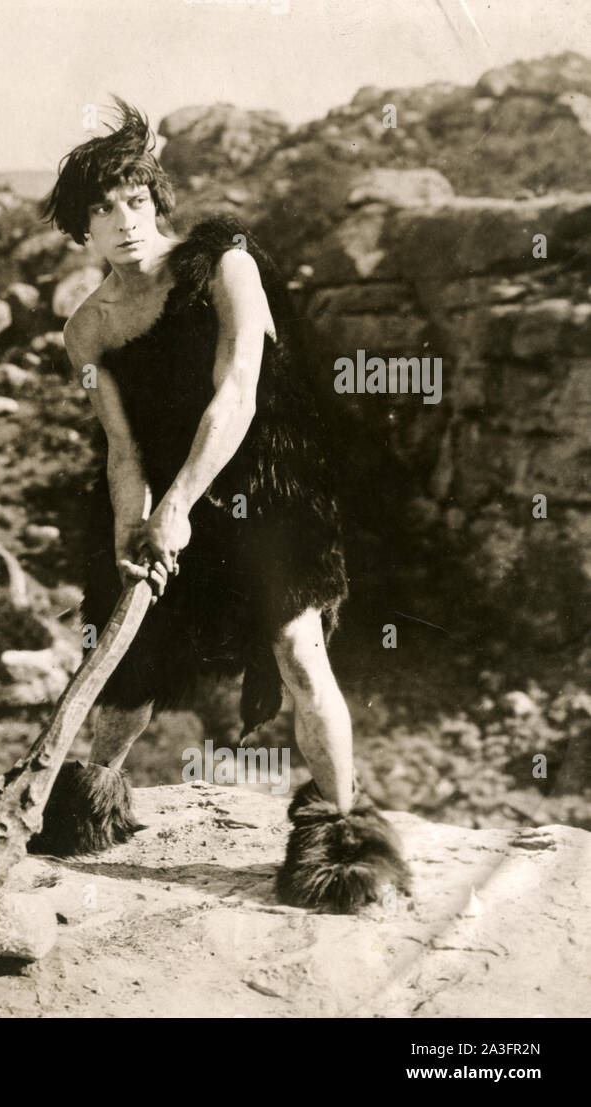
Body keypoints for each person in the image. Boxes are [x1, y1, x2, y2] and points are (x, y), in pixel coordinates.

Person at [31, 99, 409, 912]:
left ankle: (343, 840)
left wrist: (180, 506)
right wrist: (137, 528)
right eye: (102, 210)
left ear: (157, 200)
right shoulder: (86, 330)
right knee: (127, 668)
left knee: (300, 652)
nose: (124, 222)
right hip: (165, 493)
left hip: (267, 483)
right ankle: (83, 809)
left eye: (135, 200)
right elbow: (121, 447)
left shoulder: (224, 264)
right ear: (80, 229)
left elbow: (236, 393)